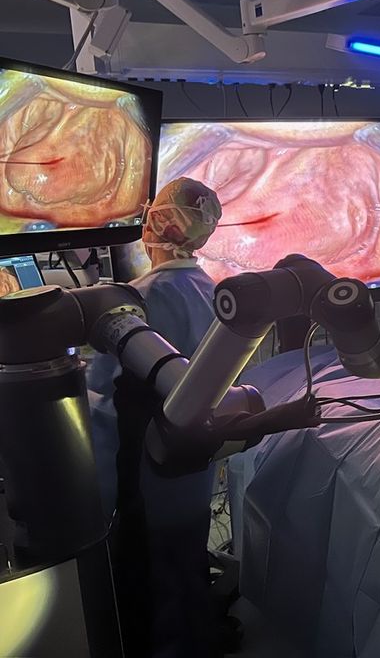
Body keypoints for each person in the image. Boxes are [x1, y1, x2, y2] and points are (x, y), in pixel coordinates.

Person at [88, 176, 223, 658]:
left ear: (156, 225)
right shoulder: (212, 292)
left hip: (144, 481)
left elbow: (102, 403)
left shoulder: (134, 300)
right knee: (186, 574)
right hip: (194, 478)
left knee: (147, 595)